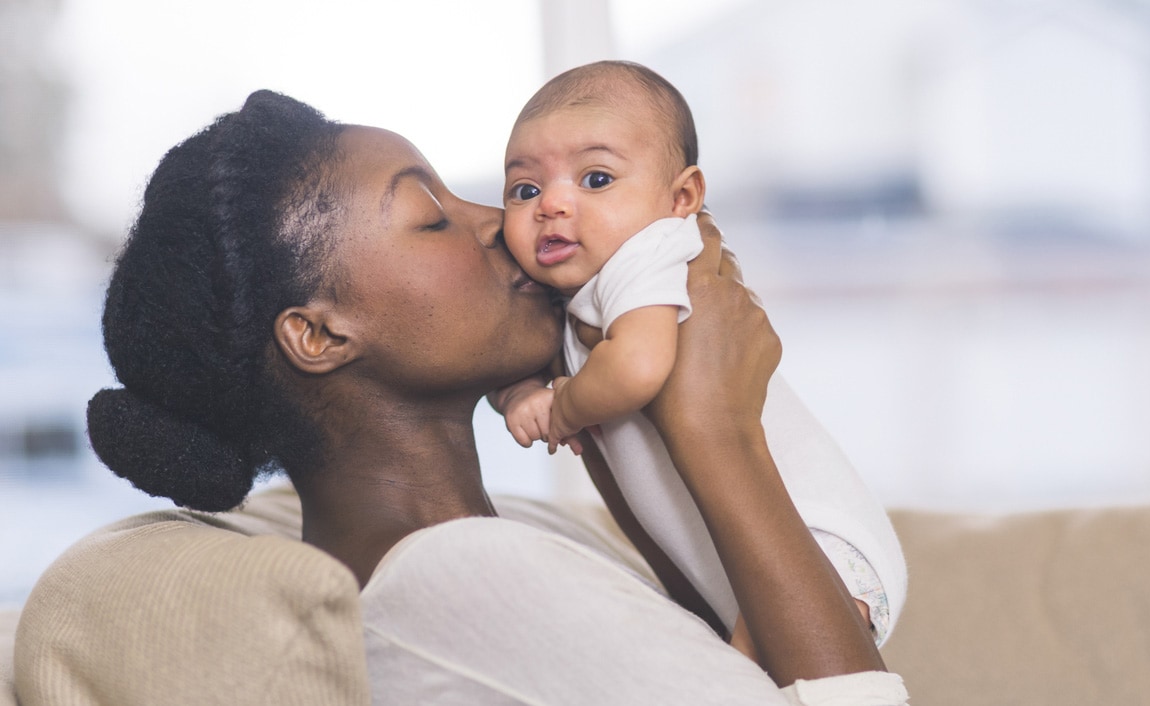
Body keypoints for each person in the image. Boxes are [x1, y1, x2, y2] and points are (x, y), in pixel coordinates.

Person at [84, 89, 909, 704]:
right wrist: (718, 431)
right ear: (321, 335)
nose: (498, 220)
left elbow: (735, 670)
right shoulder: (458, 574)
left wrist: (638, 439)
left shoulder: (485, 540)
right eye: (430, 215)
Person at [488, 60, 906, 657]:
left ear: (681, 197)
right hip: (737, 554)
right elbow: (515, 363)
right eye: (525, 190)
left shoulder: (650, 252)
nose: (551, 204)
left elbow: (635, 367)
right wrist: (516, 394)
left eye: (596, 179)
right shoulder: (572, 292)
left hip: (821, 542)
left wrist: (559, 410)